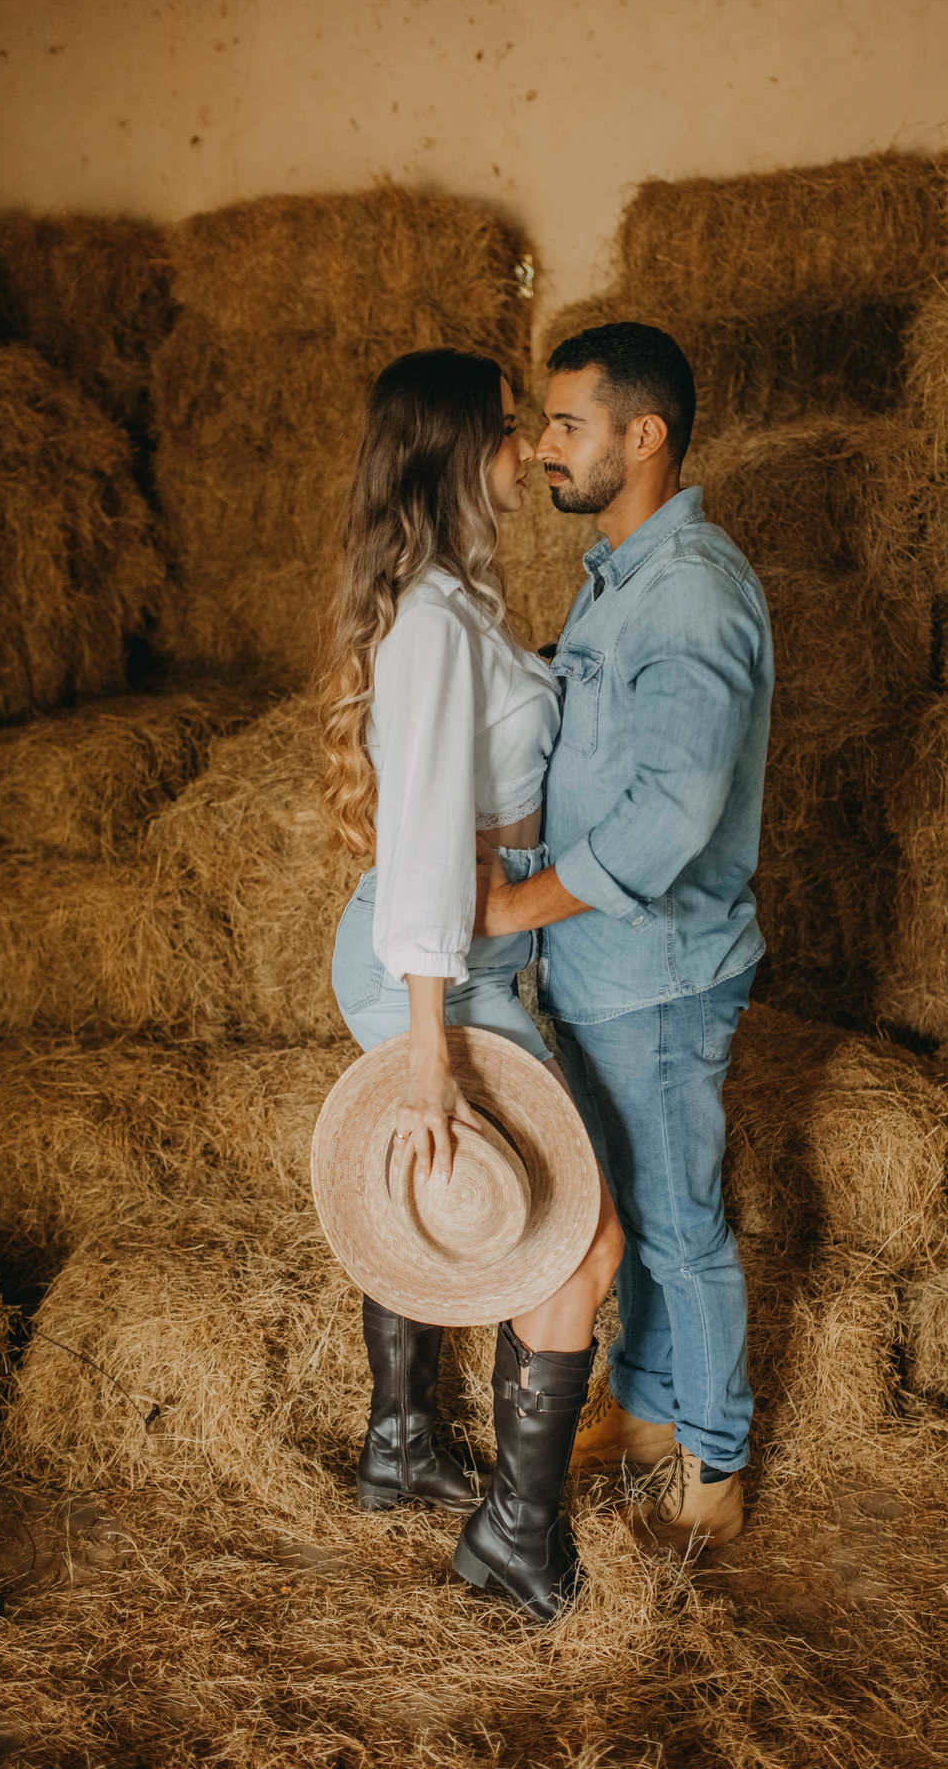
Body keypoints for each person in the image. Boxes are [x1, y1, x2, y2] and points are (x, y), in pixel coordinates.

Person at [319, 347, 623, 1621]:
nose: (528, 451)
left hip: (431, 950)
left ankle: (402, 1449)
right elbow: (433, 828)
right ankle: (516, 1535)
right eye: (508, 431)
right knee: (584, 1241)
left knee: (456, 1193)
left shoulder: (453, 600)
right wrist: (433, 1049)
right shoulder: (438, 623)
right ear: (460, 453)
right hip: (428, 966)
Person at [475, 322, 773, 1551]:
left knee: (683, 1226)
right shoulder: (617, 580)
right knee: (634, 1206)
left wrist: (508, 910)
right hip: (601, 969)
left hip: (660, 973)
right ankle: (648, 1411)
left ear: (641, 437)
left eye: (567, 425)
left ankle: (714, 1459)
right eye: (546, 427)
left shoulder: (691, 590)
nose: (543, 447)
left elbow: (667, 819)